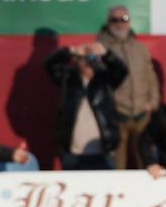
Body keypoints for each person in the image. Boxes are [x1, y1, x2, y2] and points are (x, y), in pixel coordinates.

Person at [96, 4, 160, 170]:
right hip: (117, 115)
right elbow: (99, 82)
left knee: (146, 163)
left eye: (123, 19)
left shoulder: (140, 48)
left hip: (142, 113)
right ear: (108, 22)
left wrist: (153, 101)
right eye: (114, 20)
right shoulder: (100, 48)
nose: (119, 23)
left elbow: (151, 77)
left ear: (129, 21)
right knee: (117, 165)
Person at [45, 42, 127, 170]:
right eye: (84, 59)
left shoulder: (105, 80)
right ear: (77, 61)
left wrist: (106, 54)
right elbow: (49, 64)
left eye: (92, 59)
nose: (88, 63)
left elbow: (122, 70)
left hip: (102, 152)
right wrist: (71, 50)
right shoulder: (68, 79)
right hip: (73, 153)